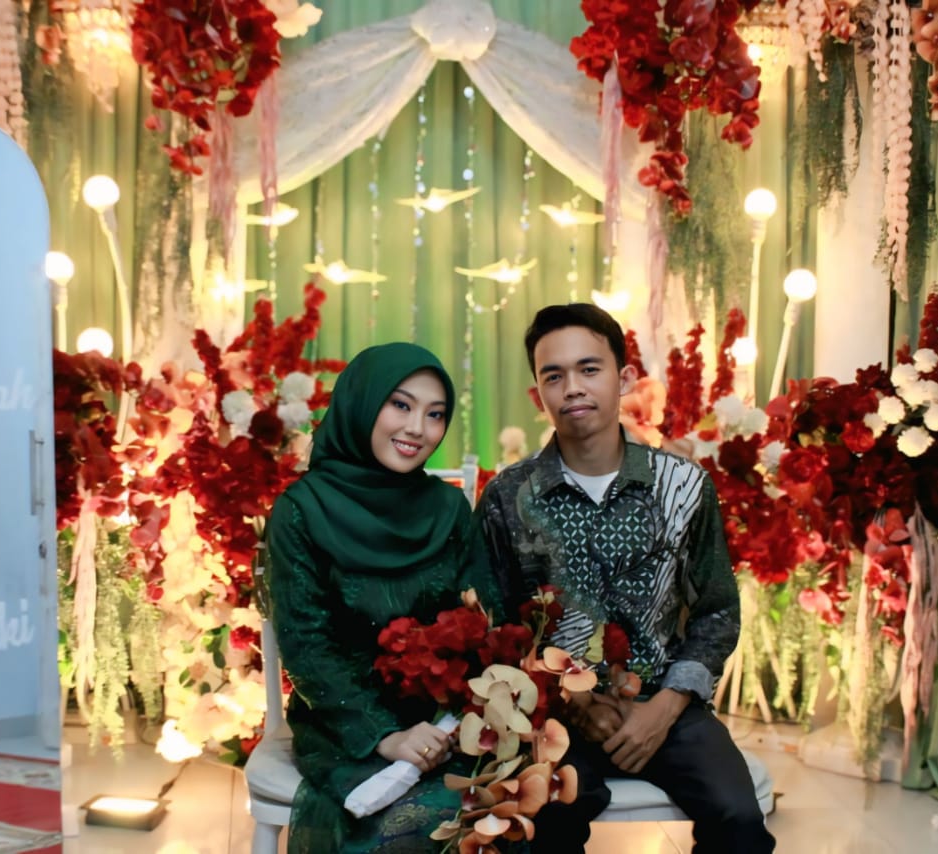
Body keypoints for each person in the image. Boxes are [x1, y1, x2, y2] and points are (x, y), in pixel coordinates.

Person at [477, 304, 775, 852]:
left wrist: (665, 708)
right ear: (538, 394)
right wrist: (569, 702)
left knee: (738, 819)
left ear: (625, 378)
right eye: (554, 376)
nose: (573, 387)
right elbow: (497, 625)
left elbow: (716, 611)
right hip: (551, 715)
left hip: (666, 701)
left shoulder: (682, 486)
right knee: (543, 824)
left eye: (589, 369)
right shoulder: (508, 497)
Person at [264, 342, 501, 853]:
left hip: (445, 722)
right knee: (417, 825)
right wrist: (385, 736)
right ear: (363, 402)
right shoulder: (300, 511)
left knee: (503, 807)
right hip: (346, 722)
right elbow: (306, 645)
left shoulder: (448, 509)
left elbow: (484, 618)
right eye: (400, 405)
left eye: (435, 414)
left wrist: (454, 716)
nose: (418, 428)